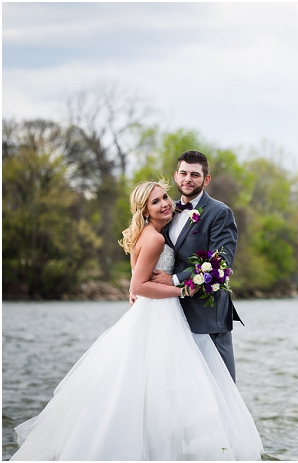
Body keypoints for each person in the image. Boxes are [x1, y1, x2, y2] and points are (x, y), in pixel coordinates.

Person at [11, 181, 262, 460]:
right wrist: (182, 290)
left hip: (156, 312)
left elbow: (137, 285)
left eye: (165, 197)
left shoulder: (151, 231)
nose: (165, 203)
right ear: (144, 211)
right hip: (159, 315)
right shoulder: (154, 238)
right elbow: (139, 286)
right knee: (163, 385)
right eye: (156, 202)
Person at [149, 150, 242, 381]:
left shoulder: (220, 213)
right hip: (171, 312)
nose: (187, 179)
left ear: (206, 179)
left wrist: (174, 279)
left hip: (208, 314)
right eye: (183, 173)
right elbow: (144, 247)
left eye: (194, 174)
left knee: (220, 386)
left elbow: (220, 262)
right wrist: (136, 287)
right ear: (176, 176)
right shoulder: (166, 210)